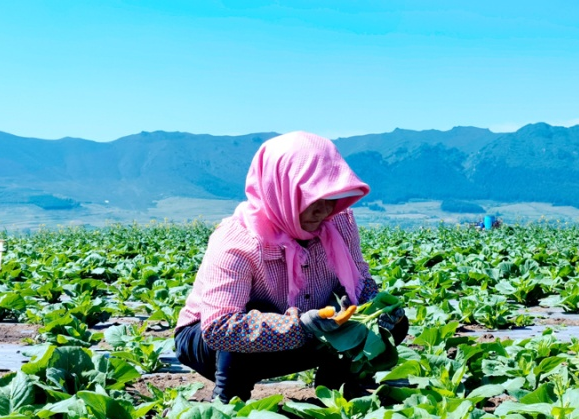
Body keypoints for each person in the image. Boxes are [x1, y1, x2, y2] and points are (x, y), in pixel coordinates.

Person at [174, 132, 408, 403]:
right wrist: (300, 327)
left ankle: (336, 391)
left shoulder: (338, 222)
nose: (324, 210)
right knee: (243, 323)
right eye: (311, 198)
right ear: (280, 190)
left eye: (330, 195)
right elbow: (220, 328)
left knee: (392, 326)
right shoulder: (238, 240)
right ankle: (229, 403)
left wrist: (377, 308)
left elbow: (359, 281)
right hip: (209, 343)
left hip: (305, 329)